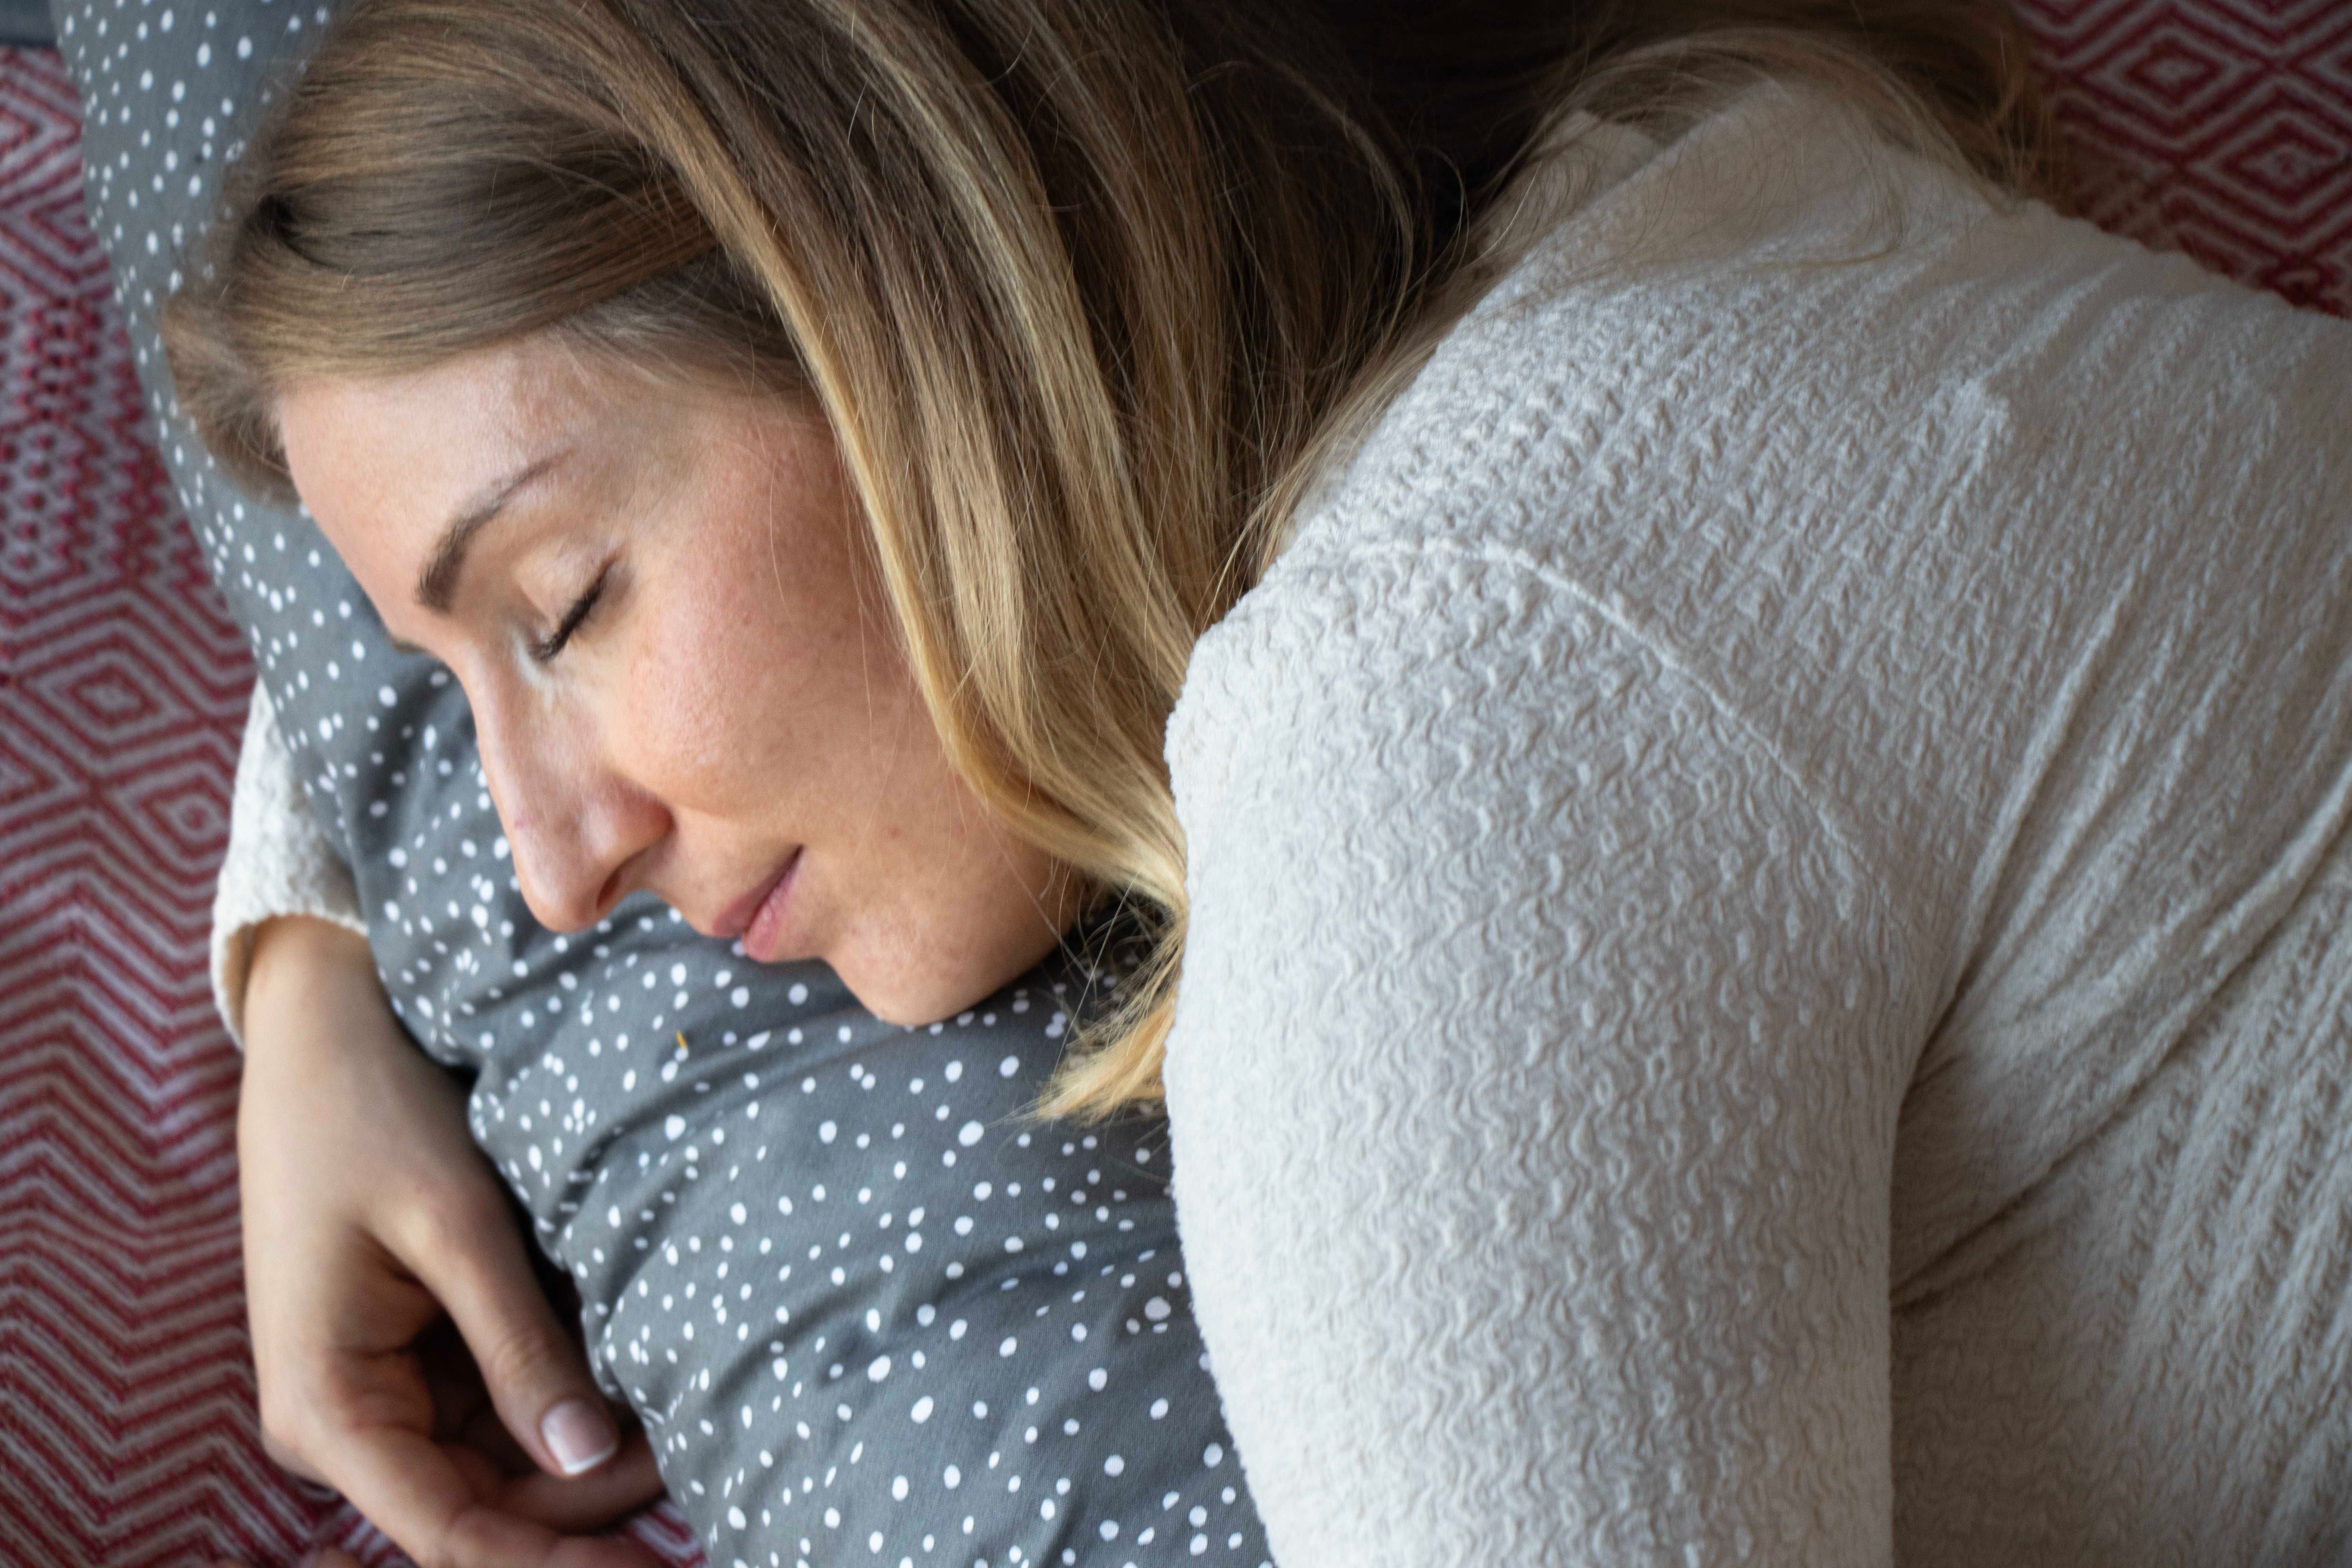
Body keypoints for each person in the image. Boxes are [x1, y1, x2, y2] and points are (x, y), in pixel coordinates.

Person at [169, 1, 2352, 1566]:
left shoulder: (1440, 703)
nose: (540, 870)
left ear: (907, 294)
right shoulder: (1745, 181)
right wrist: (320, 949)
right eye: (452, 695)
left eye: (561, 613)